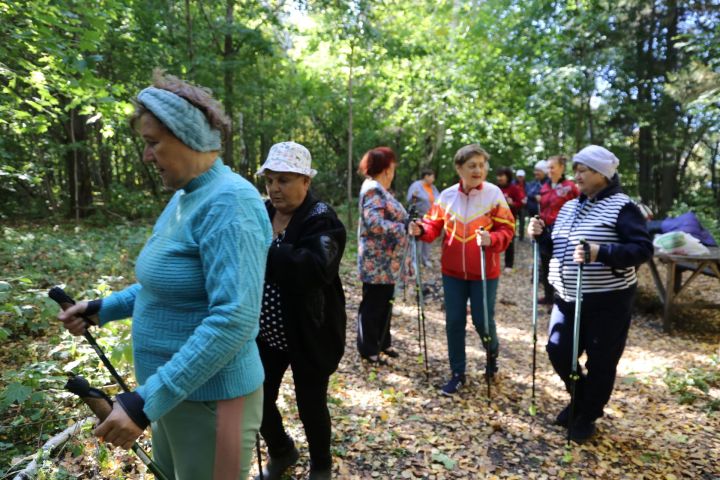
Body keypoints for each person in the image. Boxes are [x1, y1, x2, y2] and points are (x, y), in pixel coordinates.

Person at [57, 71, 271, 479]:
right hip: (173, 395)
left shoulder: (232, 202)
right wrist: (103, 308)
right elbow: (164, 284)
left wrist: (143, 403)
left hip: (211, 399)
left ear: (188, 135)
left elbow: (235, 319)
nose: (146, 156)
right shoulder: (184, 197)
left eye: (152, 143)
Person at [527, 145, 652, 443]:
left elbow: (643, 249)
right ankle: (580, 397)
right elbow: (557, 249)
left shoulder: (624, 207)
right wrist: (542, 235)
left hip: (608, 300)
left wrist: (601, 252)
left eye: (583, 170)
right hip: (568, 296)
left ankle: (587, 414)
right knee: (558, 350)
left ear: (602, 174)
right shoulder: (571, 206)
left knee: (601, 360)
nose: (577, 176)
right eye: (577, 169)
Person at [254, 142, 346, 480]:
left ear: (306, 181)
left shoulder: (322, 219)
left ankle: (321, 466)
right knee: (257, 398)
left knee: (311, 405)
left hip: (311, 331)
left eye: (285, 180)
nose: (276, 188)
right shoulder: (261, 213)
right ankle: (282, 450)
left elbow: (316, 268)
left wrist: (261, 252)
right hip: (267, 332)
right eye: (271, 180)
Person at [409, 144, 514, 395]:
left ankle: (492, 353)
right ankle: (458, 373)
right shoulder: (446, 196)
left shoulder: (493, 194)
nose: (478, 170)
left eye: (482, 165)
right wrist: (421, 230)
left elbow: (507, 229)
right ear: (459, 168)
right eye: (472, 166)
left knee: (482, 321)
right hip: (453, 272)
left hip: (484, 272)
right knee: (454, 322)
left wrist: (492, 240)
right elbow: (433, 225)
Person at [357, 146, 410, 365]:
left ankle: (382, 342)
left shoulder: (379, 189)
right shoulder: (373, 189)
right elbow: (374, 223)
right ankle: (368, 348)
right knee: (373, 305)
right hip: (376, 262)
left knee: (385, 301)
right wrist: (404, 227)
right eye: (393, 166)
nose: (394, 171)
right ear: (386, 168)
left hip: (387, 263)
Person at [537, 155, 579, 304]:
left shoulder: (570, 187)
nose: (549, 170)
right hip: (545, 229)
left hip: (564, 231)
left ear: (561, 168)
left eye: (552, 167)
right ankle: (549, 296)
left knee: (562, 263)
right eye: (548, 167)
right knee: (545, 263)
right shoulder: (544, 186)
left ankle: (563, 296)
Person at [406, 168, 440, 266]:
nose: (433, 179)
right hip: (417, 215)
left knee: (428, 237)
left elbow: (439, 199)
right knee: (417, 238)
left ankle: (425, 259)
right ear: (426, 176)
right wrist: (414, 196)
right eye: (432, 177)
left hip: (430, 216)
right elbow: (410, 200)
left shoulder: (433, 188)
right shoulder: (416, 186)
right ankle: (414, 260)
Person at [496, 166, 525, 271]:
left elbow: (521, 202)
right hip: (495, 220)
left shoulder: (514, 188)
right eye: (498, 176)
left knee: (509, 242)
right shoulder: (495, 188)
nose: (499, 178)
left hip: (509, 220)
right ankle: (494, 264)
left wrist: (512, 203)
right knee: (494, 241)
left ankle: (509, 265)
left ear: (507, 177)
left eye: (502, 176)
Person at [513, 169, 528, 241]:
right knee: (513, 221)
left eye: (521, 176)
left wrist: (526, 199)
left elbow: (528, 192)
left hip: (523, 206)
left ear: (524, 177)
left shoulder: (526, 185)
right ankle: (513, 235)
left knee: (522, 221)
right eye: (519, 176)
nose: (520, 178)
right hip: (515, 205)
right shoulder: (513, 184)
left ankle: (521, 237)